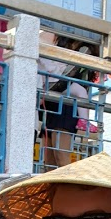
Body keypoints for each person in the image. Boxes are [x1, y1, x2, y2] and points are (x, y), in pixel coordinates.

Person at [38, 32, 98, 169]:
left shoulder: (85, 50)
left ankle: (63, 189)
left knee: (61, 159)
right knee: (49, 161)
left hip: (66, 106)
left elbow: (71, 75)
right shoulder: (61, 44)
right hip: (53, 102)